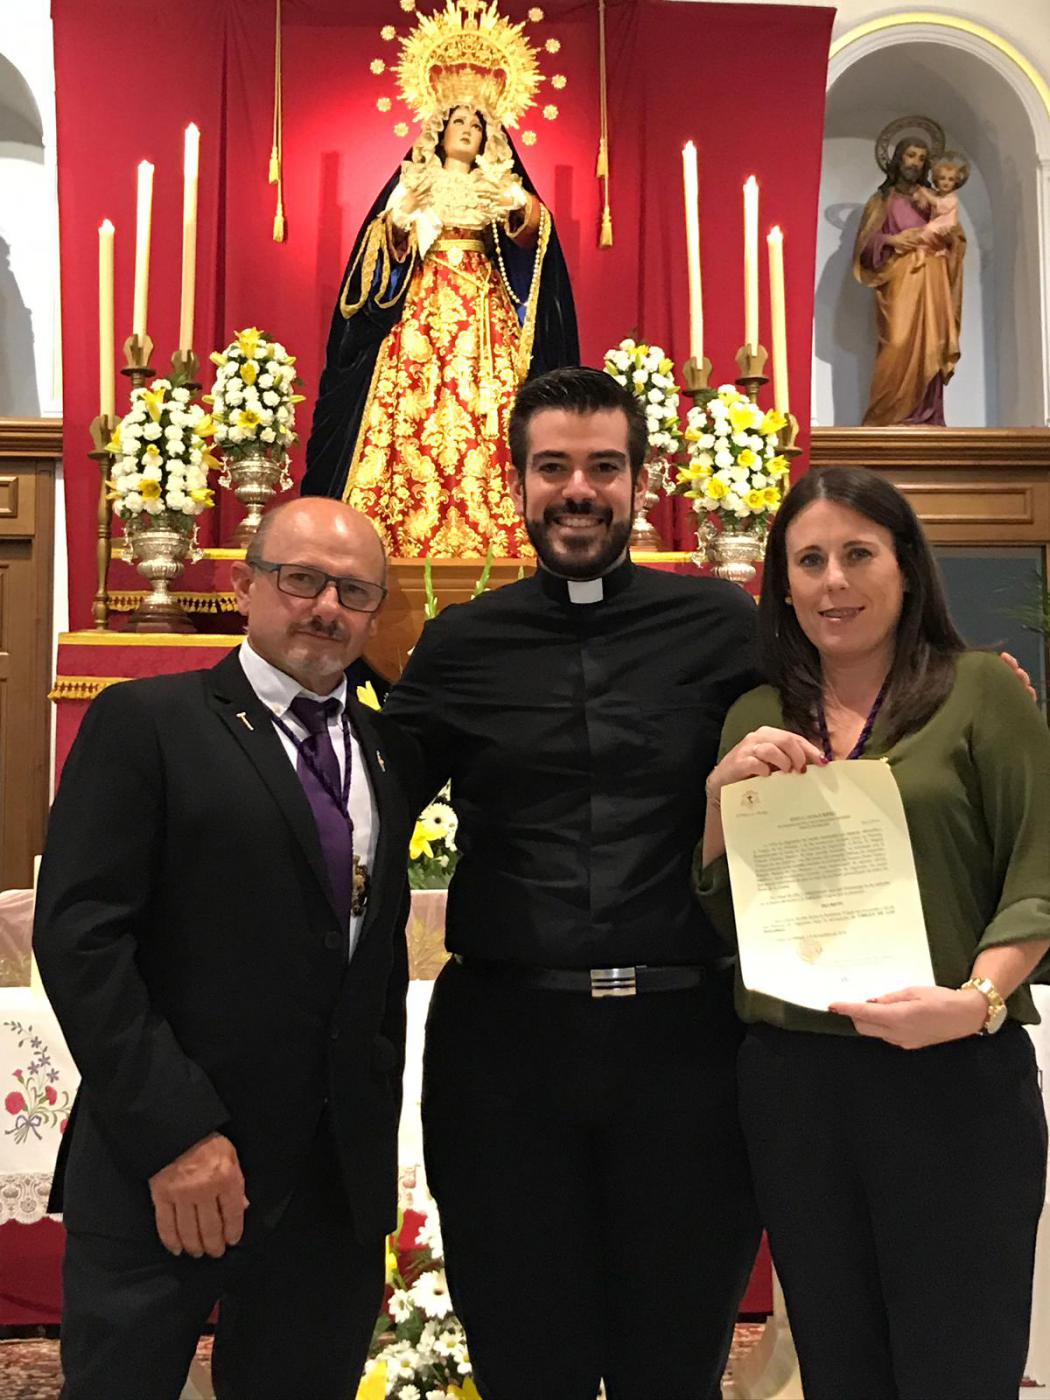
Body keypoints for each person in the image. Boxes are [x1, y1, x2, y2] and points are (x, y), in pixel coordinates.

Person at [383, 366, 763, 1400]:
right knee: (524, 1362)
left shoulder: (724, 626)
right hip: (505, 1055)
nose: (579, 488)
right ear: (520, 482)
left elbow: (837, 729)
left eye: (604, 466)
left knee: (673, 1364)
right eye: (554, 466)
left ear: (643, 481)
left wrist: (958, 680)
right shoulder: (461, 642)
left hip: (685, 1052)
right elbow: (368, 795)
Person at [33, 499, 419, 1400]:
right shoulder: (149, 722)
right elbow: (83, 938)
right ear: (246, 585)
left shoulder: (388, 749)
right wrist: (178, 1136)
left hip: (328, 1192)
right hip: (165, 1172)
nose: (326, 606)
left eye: (354, 590)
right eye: (301, 579)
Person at [698, 467, 1050, 1400]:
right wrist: (716, 802)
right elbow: (720, 911)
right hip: (798, 1089)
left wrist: (976, 1003)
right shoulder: (754, 719)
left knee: (957, 1366)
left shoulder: (983, 691)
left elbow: (1039, 870)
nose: (832, 582)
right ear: (781, 582)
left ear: (906, 568)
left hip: (954, 1079)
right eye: (808, 560)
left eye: (858, 554)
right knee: (842, 1367)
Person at [301, 102, 578, 558]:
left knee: (492, 409)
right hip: (421, 320)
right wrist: (401, 219)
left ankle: (500, 529)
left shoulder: (499, 183)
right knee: (410, 408)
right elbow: (384, 249)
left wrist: (518, 203)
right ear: (440, 132)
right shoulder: (416, 181)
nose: (467, 131)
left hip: (484, 321)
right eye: (459, 123)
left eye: (477, 125)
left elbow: (533, 239)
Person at [853, 137, 965, 426]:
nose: (914, 162)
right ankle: (884, 418)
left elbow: (956, 238)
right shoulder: (881, 200)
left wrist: (946, 238)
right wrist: (892, 239)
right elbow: (865, 246)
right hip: (899, 279)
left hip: (932, 278)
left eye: (920, 157)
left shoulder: (935, 199)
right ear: (898, 158)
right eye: (910, 155)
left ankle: (926, 416)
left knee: (930, 345)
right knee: (897, 341)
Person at [910, 150, 969, 259]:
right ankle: (930, 251)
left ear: (955, 182)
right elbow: (920, 197)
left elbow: (938, 205)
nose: (946, 182)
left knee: (928, 231)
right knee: (925, 233)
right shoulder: (936, 194)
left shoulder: (952, 198)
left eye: (950, 179)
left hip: (946, 227)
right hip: (937, 226)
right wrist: (919, 195)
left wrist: (925, 193)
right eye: (942, 178)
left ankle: (926, 250)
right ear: (936, 180)